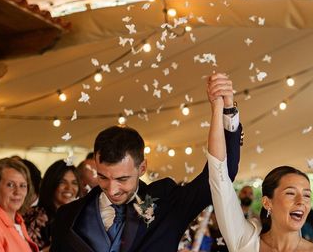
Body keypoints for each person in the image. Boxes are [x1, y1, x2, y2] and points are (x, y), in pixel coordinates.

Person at [51, 73, 242, 252]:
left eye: (122, 179)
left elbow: (221, 176)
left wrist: (226, 110)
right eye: (102, 177)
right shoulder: (68, 216)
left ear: (142, 167)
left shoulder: (167, 202)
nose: (112, 189)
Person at [207, 73, 313, 251]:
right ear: (267, 202)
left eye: (307, 195)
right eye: (290, 193)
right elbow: (219, 177)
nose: (301, 201)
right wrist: (220, 107)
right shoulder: (246, 241)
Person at [24, 159, 80, 250]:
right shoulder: (34, 216)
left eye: (74, 183)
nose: (69, 188)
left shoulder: (80, 216)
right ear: (51, 184)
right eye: (62, 182)